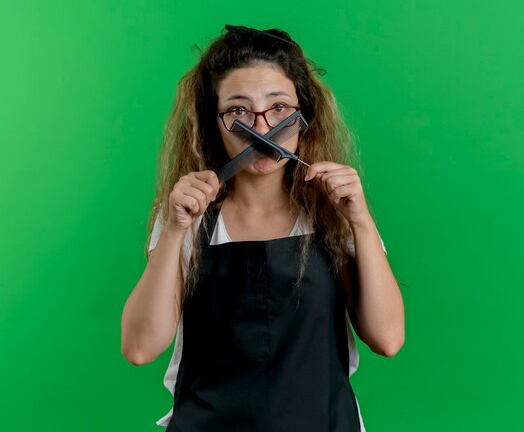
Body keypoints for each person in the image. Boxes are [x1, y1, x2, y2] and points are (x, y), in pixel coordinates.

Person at [121, 24, 405, 432]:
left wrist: (360, 220)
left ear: (304, 115)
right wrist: (175, 229)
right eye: (238, 111)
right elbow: (139, 348)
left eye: (278, 108)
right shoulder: (186, 216)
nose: (261, 126)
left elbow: (388, 339)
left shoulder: (335, 214)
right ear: (213, 121)